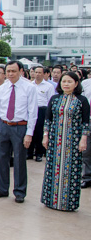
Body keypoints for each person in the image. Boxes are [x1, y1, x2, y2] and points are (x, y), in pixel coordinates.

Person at [41, 72, 89, 211]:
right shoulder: (55, 99)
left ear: (76, 83)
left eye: (69, 81)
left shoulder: (82, 100)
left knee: (71, 171)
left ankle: (68, 203)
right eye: (63, 81)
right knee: (53, 169)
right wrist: (46, 135)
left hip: (73, 141)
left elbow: (86, 122)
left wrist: (83, 139)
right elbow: (48, 119)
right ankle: (50, 200)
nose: (66, 84)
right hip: (55, 140)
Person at [0, 61, 38, 203]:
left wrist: (29, 133)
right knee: (2, 159)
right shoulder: (1, 88)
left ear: (21, 71)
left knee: (19, 160)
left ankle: (19, 191)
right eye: (8, 71)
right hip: (4, 126)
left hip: (20, 127)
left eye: (14, 71)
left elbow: (33, 112)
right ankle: (2, 189)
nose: (10, 74)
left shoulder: (29, 88)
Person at [29, 66, 55, 162]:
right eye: (36, 72)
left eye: (40, 72)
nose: (38, 74)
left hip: (42, 110)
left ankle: (39, 153)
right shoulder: (30, 85)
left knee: (40, 132)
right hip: (31, 110)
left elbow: (50, 101)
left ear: (44, 74)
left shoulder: (49, 86)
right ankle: (29, 152)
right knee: (31, 130)